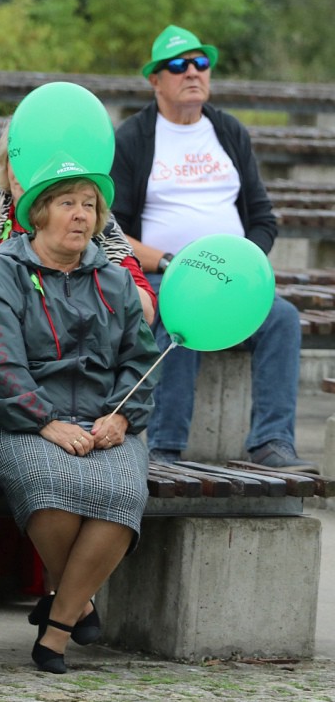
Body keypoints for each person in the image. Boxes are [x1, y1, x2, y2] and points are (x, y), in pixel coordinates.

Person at [0, 125, 157, 612]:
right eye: (67, 203)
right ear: (38, 211)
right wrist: (46, 421)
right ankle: (72, 607)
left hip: (102, 412)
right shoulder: (0, 258)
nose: (80, 214)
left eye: (88, 205)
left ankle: (59, 618)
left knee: (122, 495)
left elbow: (141, 350)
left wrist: (121, 415)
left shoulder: (111, 270)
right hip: (21, 409)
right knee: (51, 488)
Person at [111, 25, 315, 472]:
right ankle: (165, 447)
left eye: (200, 63)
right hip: (164, 273)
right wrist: (171, 263)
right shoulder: (134, 137)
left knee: (282, 318)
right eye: (178, 65)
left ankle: (272, 441)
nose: (192, 72)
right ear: (155, 79)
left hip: (231, 278)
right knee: (184, 311)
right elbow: (112, 230)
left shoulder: (228, 131)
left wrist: (244, 264)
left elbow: (263, 219)